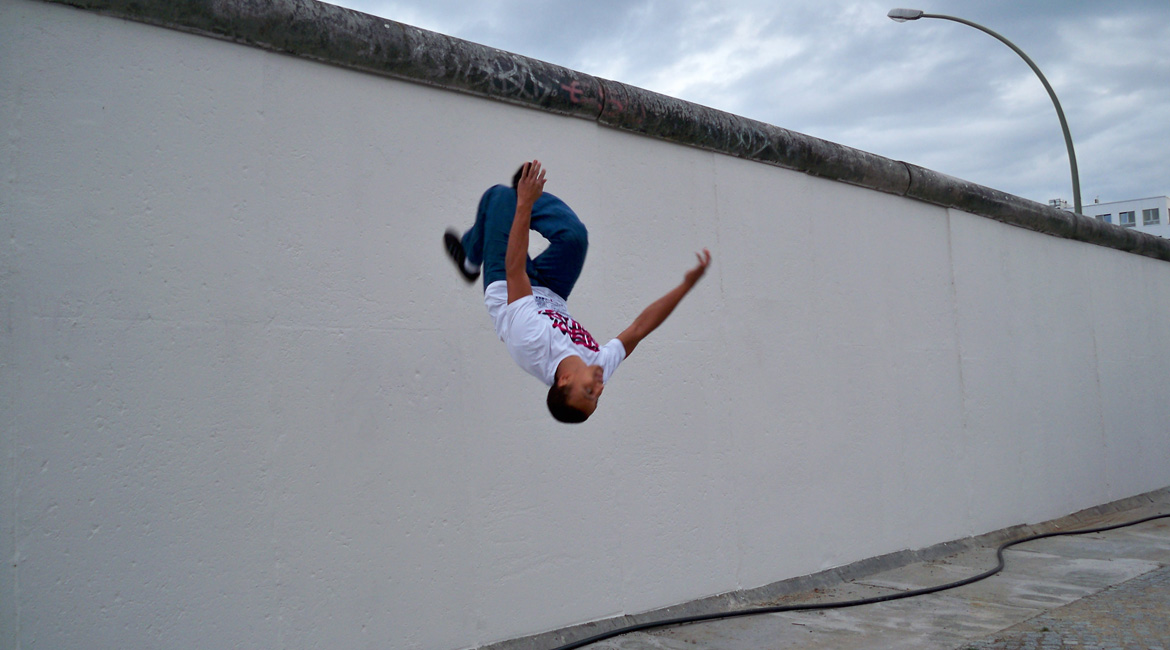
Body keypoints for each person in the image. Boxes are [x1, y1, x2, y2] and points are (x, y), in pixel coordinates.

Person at [444, 160, 711, 423]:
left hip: (508, 284)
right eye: (597, 397)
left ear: (565, 380)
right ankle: (522, 195)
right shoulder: (599, 368)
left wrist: (525, 204)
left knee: (498, 197)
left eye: (589, 392)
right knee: (574, 237)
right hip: (552, 292)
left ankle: (472, 254)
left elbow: (515, 271)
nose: (600, 388)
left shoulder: (532, 342)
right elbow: (640, 328)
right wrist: (686, 285)